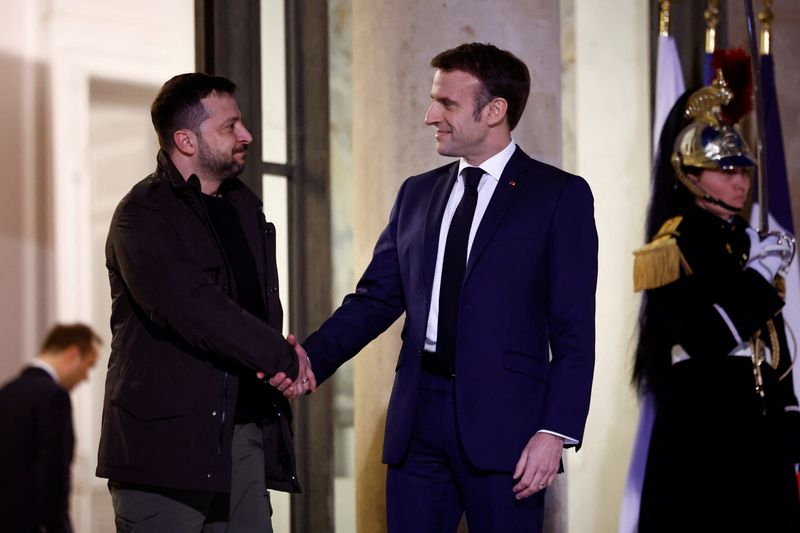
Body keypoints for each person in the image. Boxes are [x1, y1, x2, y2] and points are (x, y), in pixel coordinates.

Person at [277, 42, 598, 532]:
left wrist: (554, 431)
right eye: (433, 101)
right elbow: (375, 299)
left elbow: (574, 331)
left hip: (508, 429)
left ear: (494, 110)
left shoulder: (558, 195)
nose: (431, 116)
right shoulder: (417, 193)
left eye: (447, 103)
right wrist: (310, 360)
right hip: (417, 422)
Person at [96, 73, 314, 532]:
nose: (245, 135)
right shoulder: (142, 215)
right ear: (186, 140)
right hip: (164, 447)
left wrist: (278, 360)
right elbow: (192, 307)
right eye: (230, 126)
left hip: (242, 434)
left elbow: (254, 315)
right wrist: (282, 357)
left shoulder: (245, 210)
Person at [632, 66, 800, 532]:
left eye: (742, 170)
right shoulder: (670, 247)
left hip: (761, 424)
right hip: (704, 424)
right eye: (725, 171)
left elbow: (773, 344)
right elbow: (708, 337)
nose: (740, 183)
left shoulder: (746, 241)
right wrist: (760, 276)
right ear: (690, 175)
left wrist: (789, 413)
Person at [0, 323, 101, 533]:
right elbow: (53, 475)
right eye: (89, 366)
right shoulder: (54, 397)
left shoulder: (6, 393)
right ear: (73, 354)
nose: (86, 378)